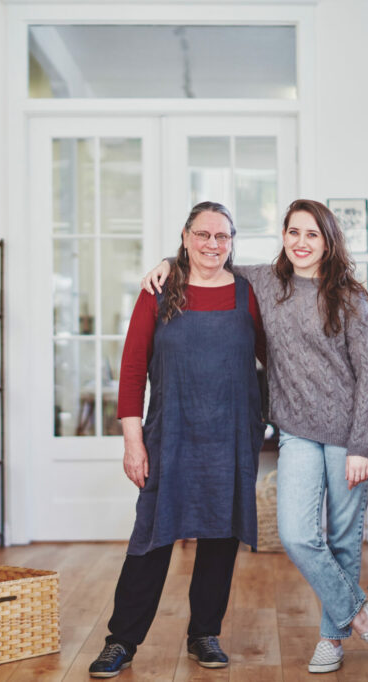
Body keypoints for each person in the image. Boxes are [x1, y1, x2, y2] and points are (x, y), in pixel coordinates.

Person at [142, 199, 368, 673]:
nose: (301, 243)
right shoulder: (264, 281)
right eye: (293, 232)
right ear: (283, 237)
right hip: (298, 431)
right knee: (297, 535)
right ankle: (360, 613)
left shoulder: (350, 296)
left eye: (312, 235)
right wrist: (167, 260)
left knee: (342, 540)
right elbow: (210, 255)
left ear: (328, 241)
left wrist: (362, 446)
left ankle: (332, 640)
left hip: (349, 434)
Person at [88, 202, 267, 678]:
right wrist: (132, 439)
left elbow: (274, 359)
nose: (213, 244)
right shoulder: (159, 288)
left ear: (232, 242)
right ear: (185, 237)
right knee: (151, 536)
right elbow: (131, 368)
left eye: (223, 237)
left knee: (221, 535)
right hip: (169, 432)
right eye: (203, 235)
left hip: (230, 435)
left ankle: (204, 633)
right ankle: (121, 640)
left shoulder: (247, 292)